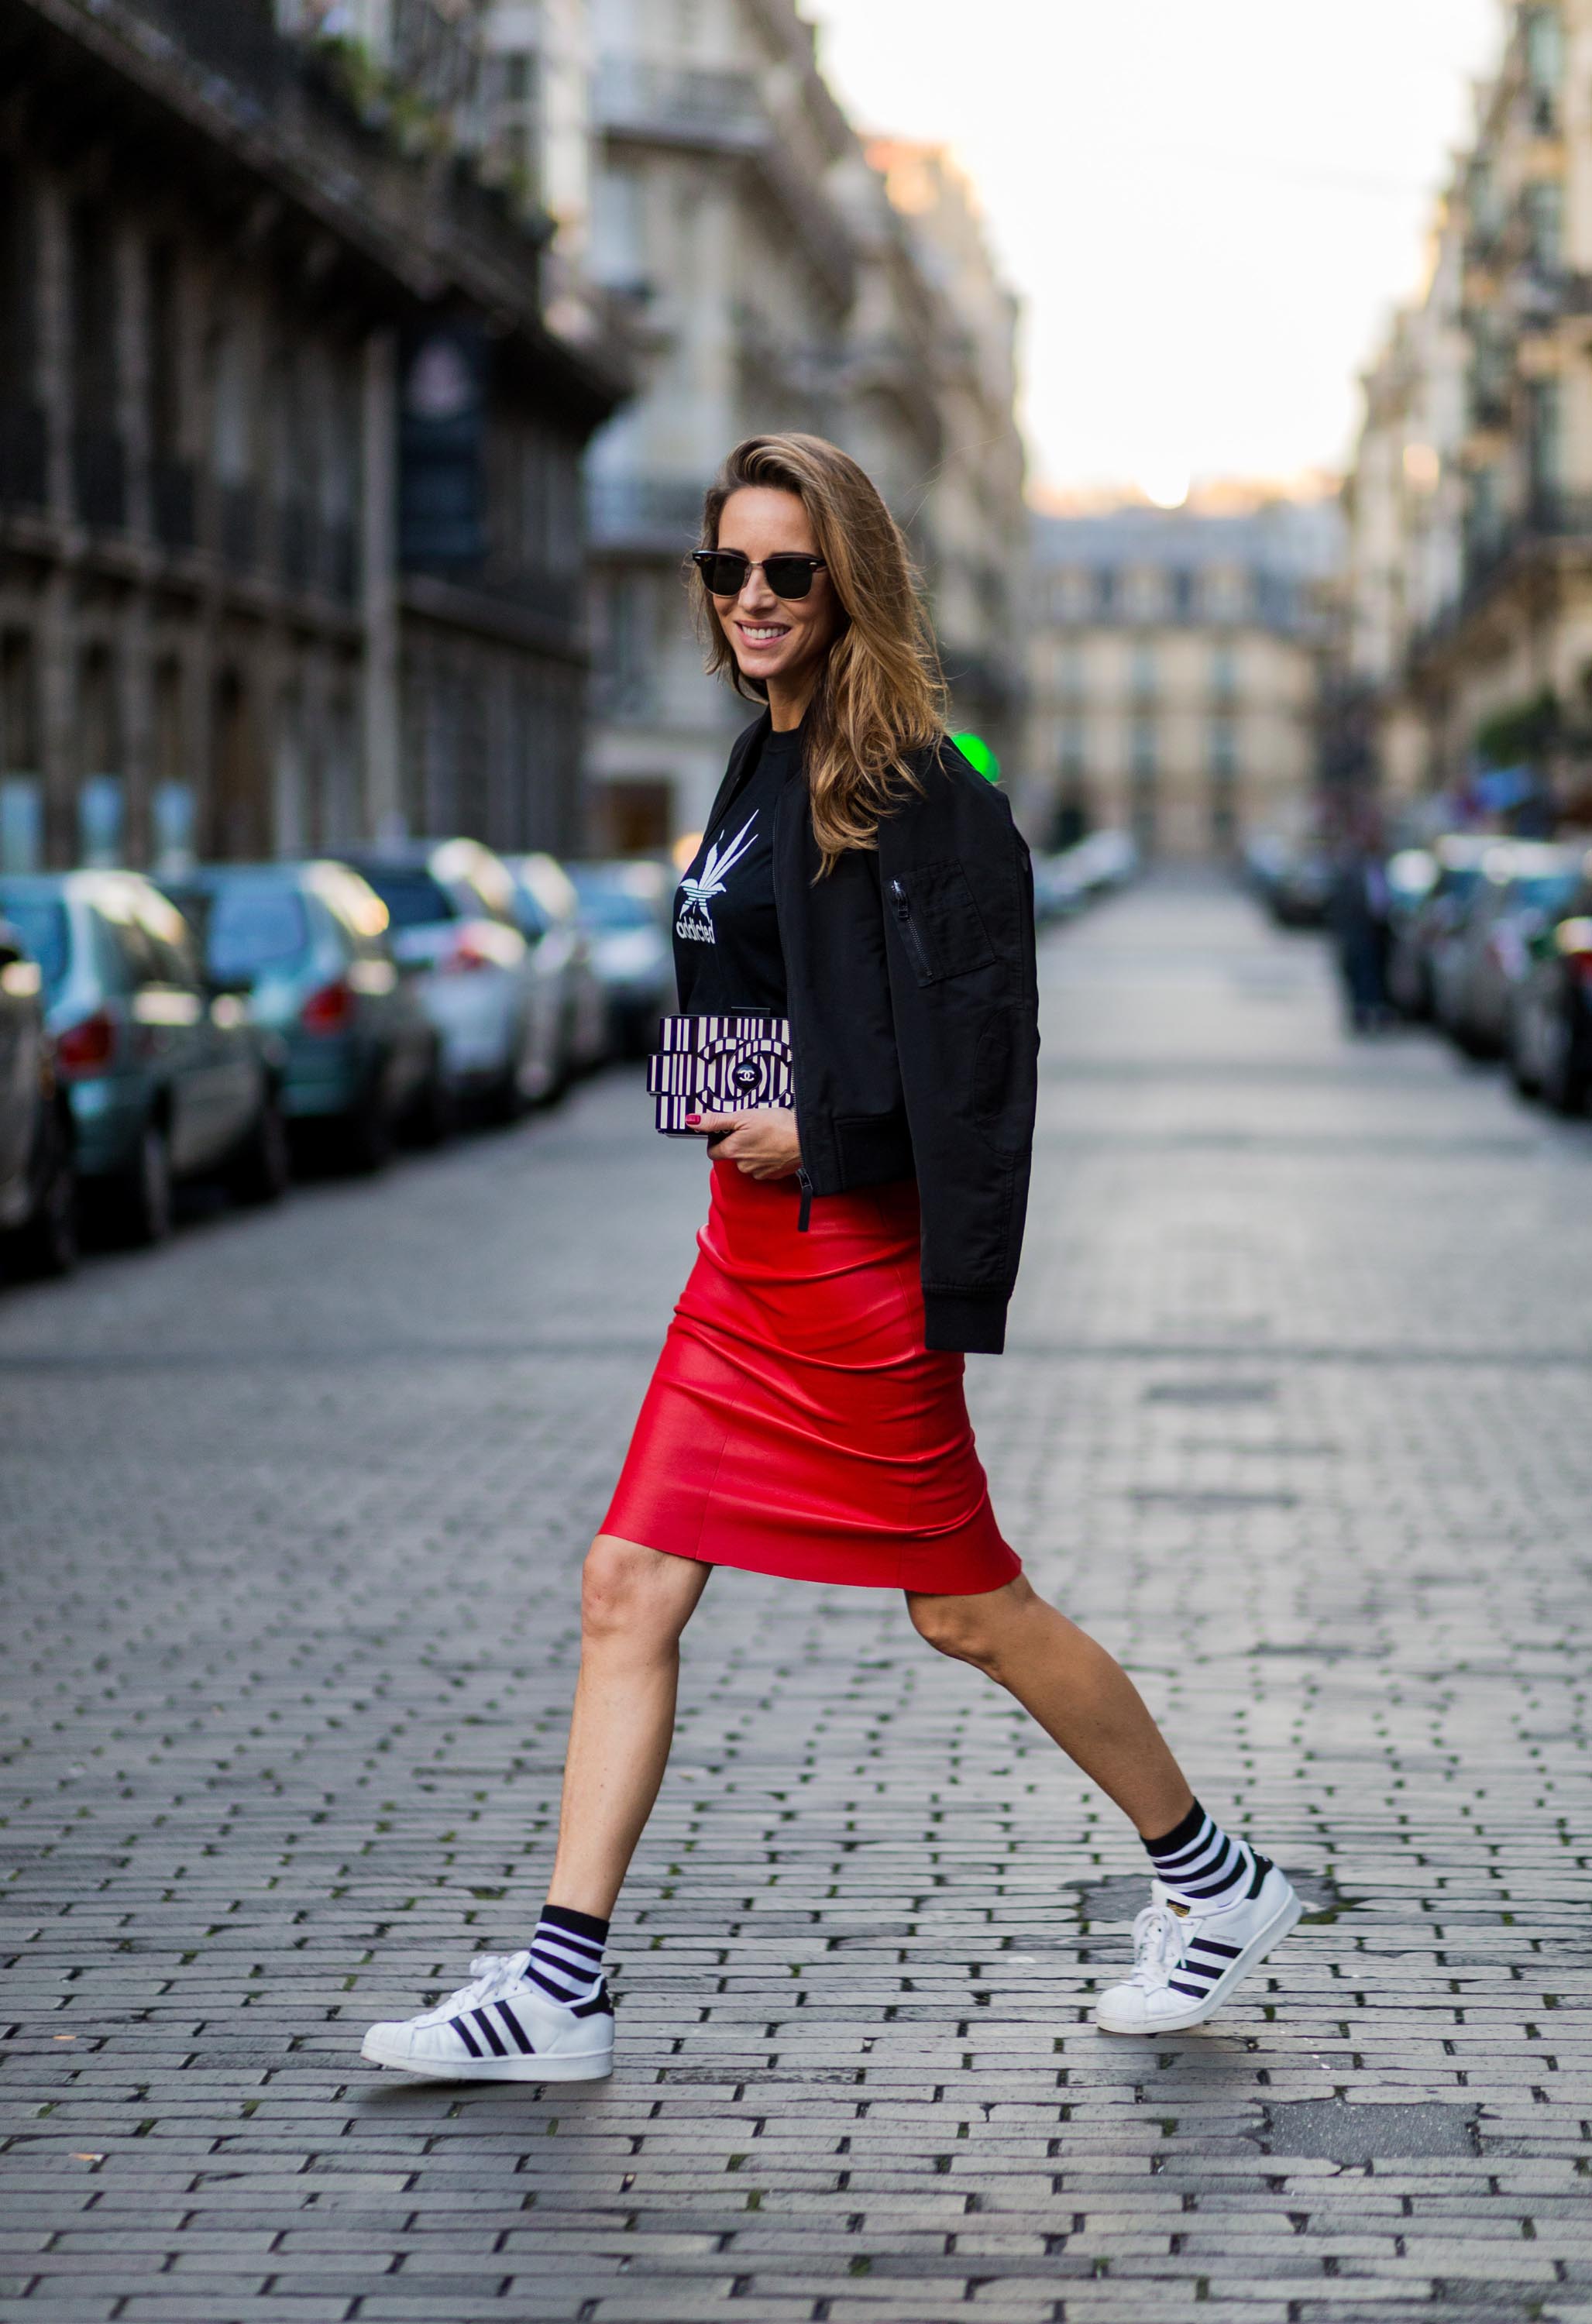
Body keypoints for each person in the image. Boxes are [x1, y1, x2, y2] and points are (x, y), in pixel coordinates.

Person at [362, 435, 1301, 2084]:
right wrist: (721, 1101)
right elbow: (751, 992)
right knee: (624, 1586)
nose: (749, 601)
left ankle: (1213, 1883)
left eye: (784, 571)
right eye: (724, 571)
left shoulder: (922, 789)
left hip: (852, 1266)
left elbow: (980, 1048)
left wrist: (826, 1132)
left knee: (965, 1610)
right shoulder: (752, 764)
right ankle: (559, 1986)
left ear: (846, 580)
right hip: (745, 1259)